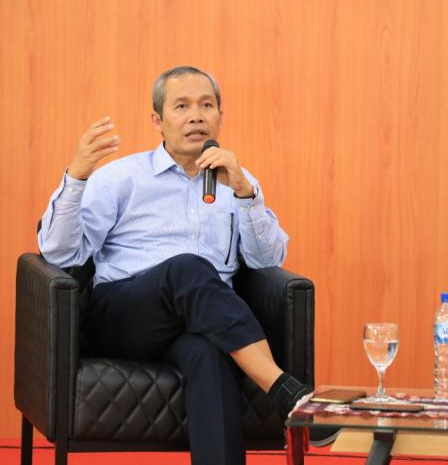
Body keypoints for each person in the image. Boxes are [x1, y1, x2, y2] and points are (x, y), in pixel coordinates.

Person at [38, 66, 311, 465]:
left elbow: (267, 262)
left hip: (201, 321)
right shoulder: (121, 178)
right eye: (182, 106)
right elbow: (61, 254)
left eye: (206, 105)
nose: (196, 116)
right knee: (188, 268)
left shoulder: (236, 180)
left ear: (220, 117)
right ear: (158, 121)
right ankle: (285, 389)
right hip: (126, 315)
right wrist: (77, 177)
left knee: (209, 353)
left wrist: (245, 193)